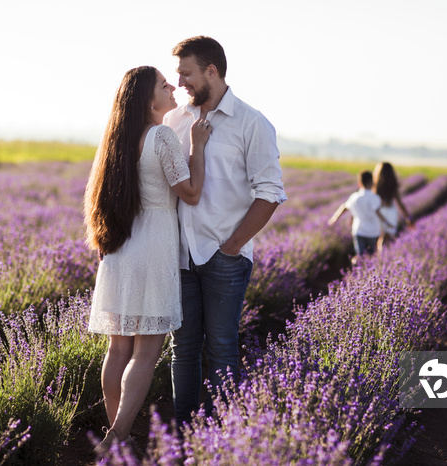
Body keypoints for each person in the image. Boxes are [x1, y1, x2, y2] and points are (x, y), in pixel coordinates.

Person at [83, 66, 212, 454]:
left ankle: (115, 434)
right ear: (147, 99)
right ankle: (117, 436)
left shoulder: (116, 141)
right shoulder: (161, 135)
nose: (172, 87)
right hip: (154, 249)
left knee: (118, 350)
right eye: (163, 84)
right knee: (146, 351)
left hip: (121, 250)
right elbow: (190, 193)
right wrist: (198, 147)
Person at [163, 36, 287, 426]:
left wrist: (232, 248)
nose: (179, 81)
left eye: (186, 73)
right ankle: (183, 432)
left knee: (221, 348)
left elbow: (270, 194)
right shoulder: (175, 121)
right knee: (182, 349)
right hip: (180, 256)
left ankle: (221, 435)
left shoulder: (253, 123)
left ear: (211, 71)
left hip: (224, 259)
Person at [328, 170, 386, 257]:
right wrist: (387, 224)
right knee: (372, 255)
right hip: (373, 231)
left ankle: (358, 267)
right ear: (373, 183)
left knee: (361, 255)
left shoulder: (355, 197)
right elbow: (378, 213)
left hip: (359, 231)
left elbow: (344, 207)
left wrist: (334, 219)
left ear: (359, 183)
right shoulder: (375, 198)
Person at [373, 161, 413, 251]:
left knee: (380, 236)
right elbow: (400, 203)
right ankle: (384, 255)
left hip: (380, 212)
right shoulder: (393, 185)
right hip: (391, 212)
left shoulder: (376, 185)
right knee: (387, 237)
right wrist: (408, 217)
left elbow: (373, 202)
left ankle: (380, 256)